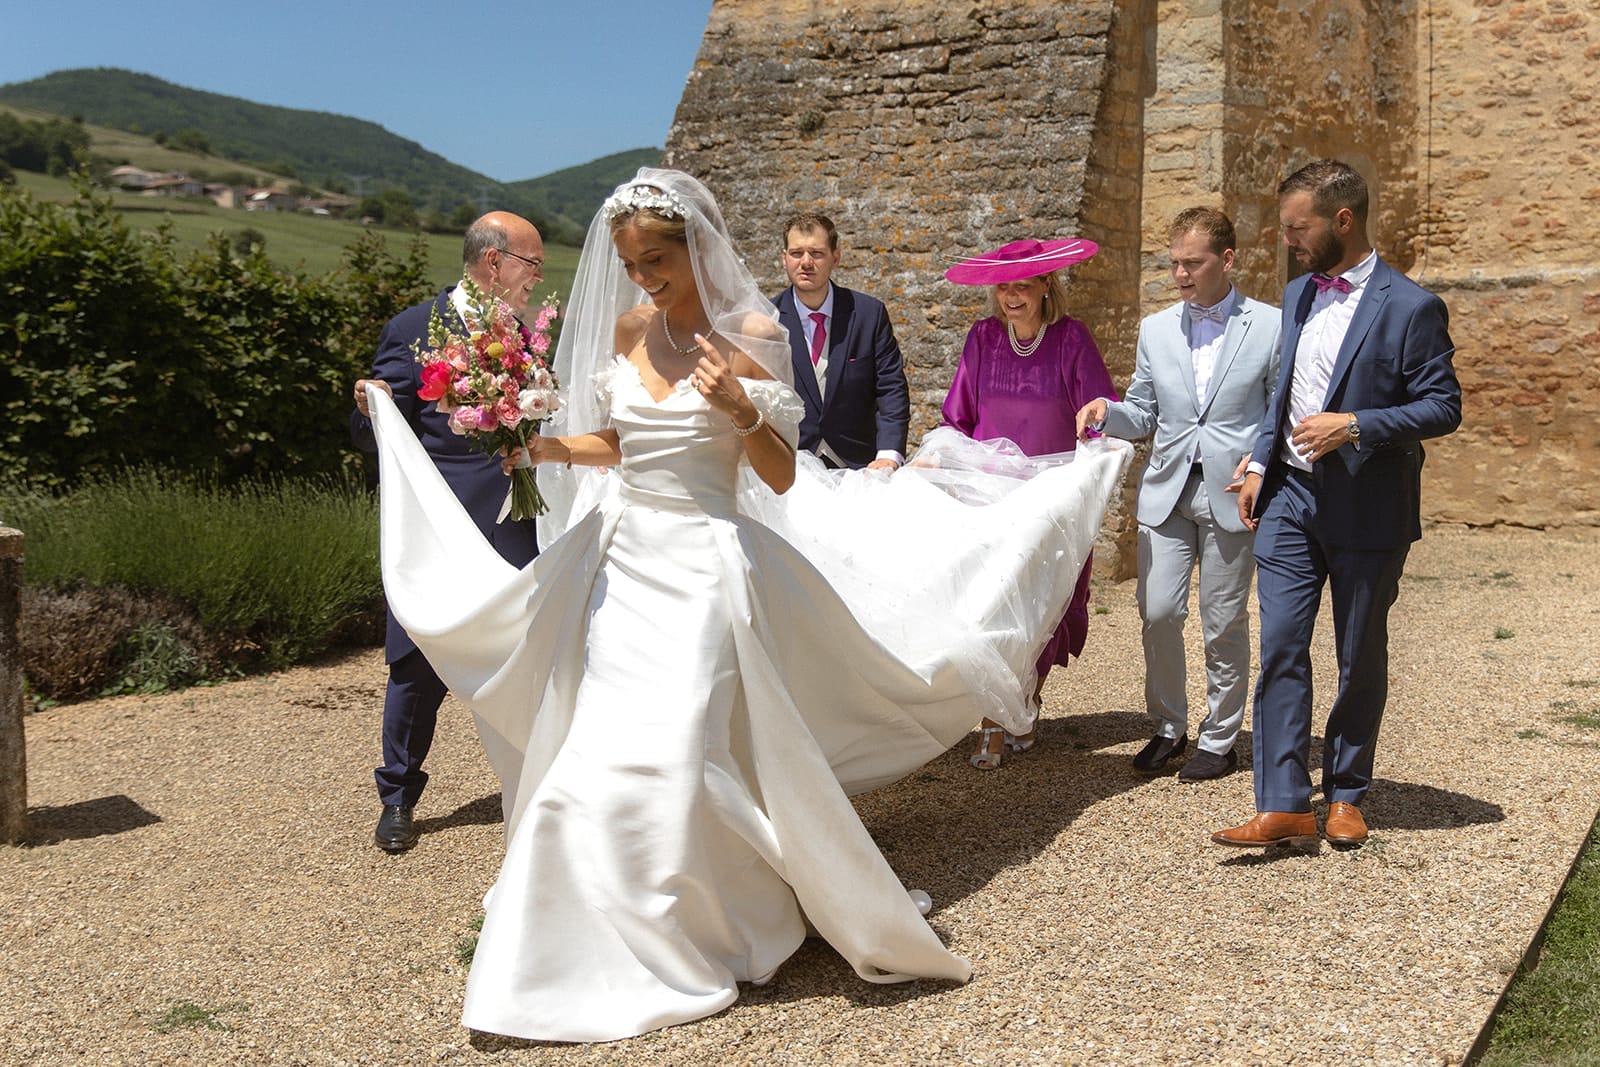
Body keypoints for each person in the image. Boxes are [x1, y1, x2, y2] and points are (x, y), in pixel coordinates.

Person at [362, 169, 1131, 1041]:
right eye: (628, 261)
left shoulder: (754, 332)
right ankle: (575, 929)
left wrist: (738, 404)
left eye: (655, 258)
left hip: (703, 567)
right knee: (597, 751)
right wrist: (542, 445)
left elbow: (774, 470)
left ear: (694, 246)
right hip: (622, 564)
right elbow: (618, 441)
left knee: (688, 740)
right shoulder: (628, 327)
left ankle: (717, 914)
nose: (642, 276)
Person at [1212, 159, 1460, 850]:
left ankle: (1348, 790)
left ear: (1342, 221)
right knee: (1283, 645)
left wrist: (1354, 424)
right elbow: (1284, 391)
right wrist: (1262, 460)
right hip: (1290, 498)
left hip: (1369, 505)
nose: (1288, 239)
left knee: (1359, 653)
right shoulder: (1296, 294)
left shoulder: (1411, 306)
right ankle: (1285, 801)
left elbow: (1444, 405)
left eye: (1299, 227)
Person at [348, 212, 544, 853]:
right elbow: (383, 438)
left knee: (527, 653)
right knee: (415, 662)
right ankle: (398, 797)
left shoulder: (531, 337)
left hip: (512, 521)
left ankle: (539, 786)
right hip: (439, 524)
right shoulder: (411, 329)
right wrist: (368, 408)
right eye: (531, 265)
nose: (536, 280)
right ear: (494, 263)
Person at [1076, 208, 1281, 781]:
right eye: (1174, 264)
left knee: (1224, 622)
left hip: (1233, 491)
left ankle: (1219, 739)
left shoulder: (1270, 325)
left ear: (1228, 260)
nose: (1181, 276)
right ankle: (1168, 726)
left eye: (1193, 263)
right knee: (1159, 612)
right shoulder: (1155, 329)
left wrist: (1261, 463)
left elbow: (1279, 411)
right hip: (1166, 491)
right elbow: (1142, 410)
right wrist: (1106, 412)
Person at [940, 237, 1118, 770]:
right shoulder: (982, 339)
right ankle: (996, 718)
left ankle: (1022, 697)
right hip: (991, 499)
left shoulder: (1071, 340)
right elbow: (959, 418)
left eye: (1023, 284)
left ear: (1046, 285)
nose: (1012, 296)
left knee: (1037, 609)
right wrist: (946, 469)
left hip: (1050, 502)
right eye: (1004, 286)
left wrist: (1096, 436)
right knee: (994, 607)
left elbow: (1098, 412)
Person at [772, 212, 911, 470]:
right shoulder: (766, 321)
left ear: (836, 258)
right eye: (796, 253)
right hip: (790, 469)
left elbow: (890, 387)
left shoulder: (869, 315)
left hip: (861, 467)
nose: (805, 262)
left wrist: (889, 454)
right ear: (784, 258)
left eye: (816, 253)